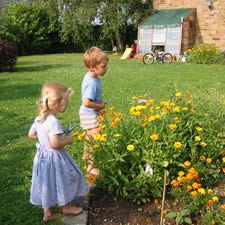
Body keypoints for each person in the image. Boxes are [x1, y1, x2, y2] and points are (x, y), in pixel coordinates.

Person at [28, 82, 87, 222]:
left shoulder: (39, 118)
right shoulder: (54, 122)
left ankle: (47, 212)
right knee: (65, 179)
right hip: (55, 159)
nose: (67, 104)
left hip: (42, 158)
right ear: (60, 103)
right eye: (66, 101)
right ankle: (67, 206)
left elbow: (31, 134)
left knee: (46, 182)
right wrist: (67, 140)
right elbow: (55, 144)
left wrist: (44, 138)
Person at [79, 46, 109, 179]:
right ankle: (92, 168)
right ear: (92, 66)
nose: (106, 69)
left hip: (87, 113)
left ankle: (86, 160)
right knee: (96, 140)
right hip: (89, 113)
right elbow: (87, 102)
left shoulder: (92, 77)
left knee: (90, 137)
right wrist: (100, 106)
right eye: (103, 66)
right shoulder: (92, 82)